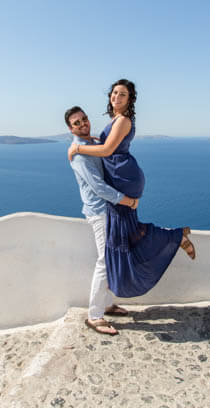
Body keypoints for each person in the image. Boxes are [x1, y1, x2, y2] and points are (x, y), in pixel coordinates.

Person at [68, 79, 195, 300]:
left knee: (123, 234)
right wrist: (90, 141)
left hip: (123, 176)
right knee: (128, 231)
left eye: (123, 94)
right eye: (114, 93)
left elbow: (107, 150)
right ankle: (176, 237)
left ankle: (173, 238)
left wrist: (78, 147)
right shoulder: (116, 119)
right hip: (120, 175)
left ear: (130, 99)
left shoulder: (123, 120)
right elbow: (109, 143)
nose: (117, 97)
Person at [65, 105, 140, 336]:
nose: (83, 124)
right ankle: (94, 316)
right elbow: (97, 187)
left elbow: (106, 150)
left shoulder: (90, 145)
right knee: (104, 261)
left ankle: (106, 305)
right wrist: (126, 200)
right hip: (100, 212)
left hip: (106, 211)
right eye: (76, 123)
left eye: (84, 119)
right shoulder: (79, 154)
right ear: (71, 128)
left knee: (110, 257)